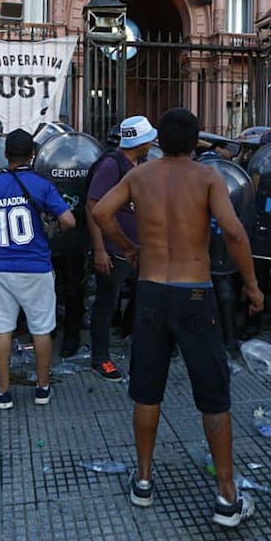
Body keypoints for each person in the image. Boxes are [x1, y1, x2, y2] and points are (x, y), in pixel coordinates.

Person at [93, 107, 265, 528]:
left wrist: (128, 248)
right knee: (213, 395)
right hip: (194, 295)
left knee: (146, 392)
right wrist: (252, 285)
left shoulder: (139, 176)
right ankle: (227, 497)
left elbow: (100, 213)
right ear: (194, 142)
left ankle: (143, 481)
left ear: (158, 141)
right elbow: (234, 232)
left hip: (151, 292)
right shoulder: (207, 177)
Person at [0, 129, 75, 409]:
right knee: (41, 329)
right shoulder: (42, 185)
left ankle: (3, 393)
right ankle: (42, 389)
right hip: (37, 267)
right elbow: (69, 221)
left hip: (1, 268)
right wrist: (52, 227)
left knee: (2, 329)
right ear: (33, 154)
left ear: (6, 154)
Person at [86, 115, 156, 381]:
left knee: (143, 297)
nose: (152, 143)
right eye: (149, 139)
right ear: (139, 142)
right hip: (114, 249)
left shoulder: (141, 164)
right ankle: (100, 358)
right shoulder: (111, 165)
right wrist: (99, 249)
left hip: (138, 248)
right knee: (106, 304)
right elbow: (93, 206)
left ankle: (130, 339)